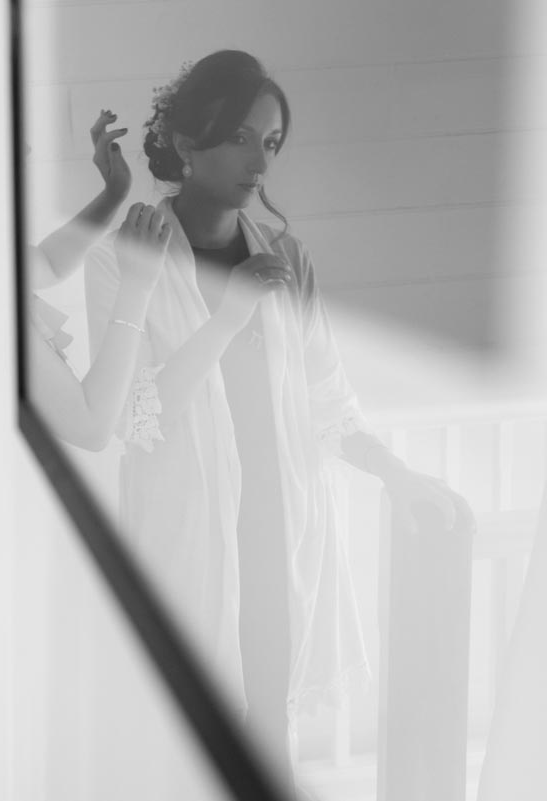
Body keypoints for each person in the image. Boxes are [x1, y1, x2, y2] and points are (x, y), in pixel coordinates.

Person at [83, 50, 474, 788]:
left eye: (270, 142)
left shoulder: (288, 259)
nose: (259, 159)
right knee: (181, 747)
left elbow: (329, 401)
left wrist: (400, 476)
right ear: (189, 143)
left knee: (270, 734)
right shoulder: (125, 259)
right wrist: (228, 320)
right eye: (240, 137)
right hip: (186, 540)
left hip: (280, 535)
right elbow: (136, 417)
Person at [26, 110, 171, 450]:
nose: (29, 149)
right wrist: (137, 283)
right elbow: (91, 429)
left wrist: (114, 192)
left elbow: (48, 263)